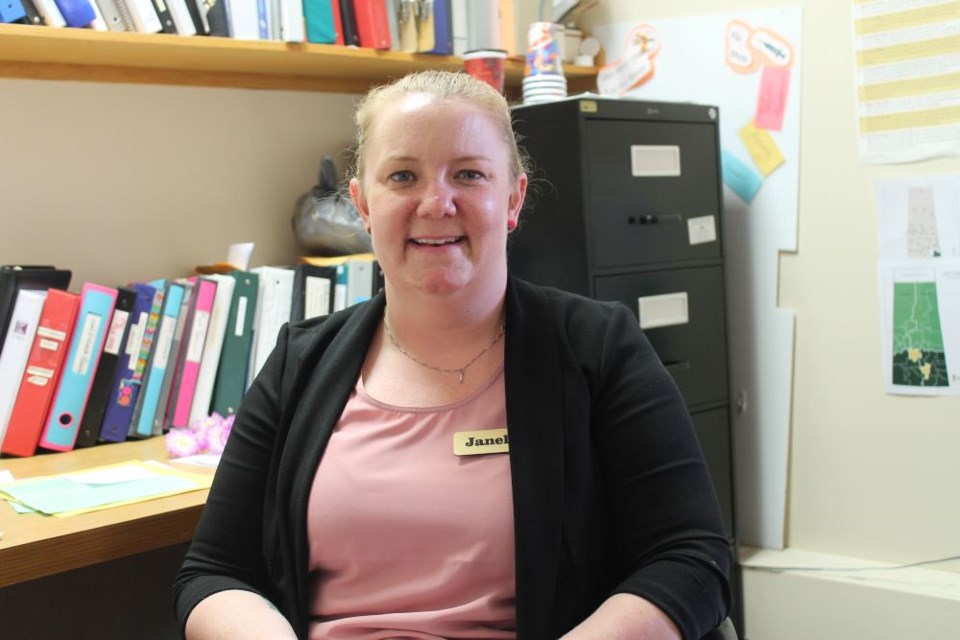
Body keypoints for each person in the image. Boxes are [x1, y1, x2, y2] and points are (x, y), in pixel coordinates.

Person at [174, 69, 732, 640]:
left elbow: (691, 561)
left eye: (468, 174)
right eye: (402, 176)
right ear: (363, 206)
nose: (436, 203)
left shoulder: (597, 349)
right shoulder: (301, 363)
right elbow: (216, 573)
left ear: (513, 199)